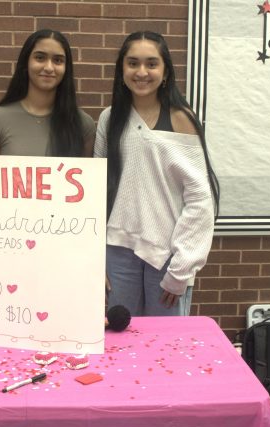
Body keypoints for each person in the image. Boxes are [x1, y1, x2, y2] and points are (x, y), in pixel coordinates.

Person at [94, 31, 220, 317]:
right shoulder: (109, 119)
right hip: (116, 250)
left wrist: (183, 266)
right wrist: (94, 258)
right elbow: (97, 189)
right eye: (132, 63)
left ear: (165, 72)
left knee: (168, 344)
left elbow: (200, 199)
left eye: (151, 64)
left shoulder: (182, 119)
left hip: (168, 254)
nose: (141, 72)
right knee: (121, 341)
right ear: (121, 69)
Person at [0, 29, 95, 157]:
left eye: (58, 60)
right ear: (26, 62)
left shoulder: (83, 124)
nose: (49, 68)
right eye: (40, 58)